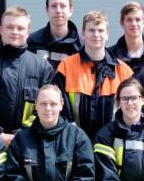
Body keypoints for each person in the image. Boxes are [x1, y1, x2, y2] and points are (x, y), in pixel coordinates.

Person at [0, 6, 54, 147]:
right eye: (10, 27)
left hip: (30, 143)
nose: (15, 32)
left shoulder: (42, 68)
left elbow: (46, 107)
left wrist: (22, 133)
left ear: (28, 32)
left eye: (20, 28)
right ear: (0, 30)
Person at [53, 11, 133, 140]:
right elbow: (60, 108)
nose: (96, 35)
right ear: (83, 34)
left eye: (100, 30)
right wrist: (75, 137)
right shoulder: (66, 67)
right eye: (91, 30)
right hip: (75, 141)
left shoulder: (124, 72)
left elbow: (132, 110)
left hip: (112, 142)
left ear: (107, 34)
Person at [27, 0, 83, 70]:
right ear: (47, 10)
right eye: (53, 6)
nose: (58, 10)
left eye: (63, 6)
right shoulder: (32, 42)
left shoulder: (81, 45)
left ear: (71, 10)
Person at [107, 1, 144, 77]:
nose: (134, 24)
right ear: (121, 23)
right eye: (129, 20)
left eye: (137, 19)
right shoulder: (110, 56)